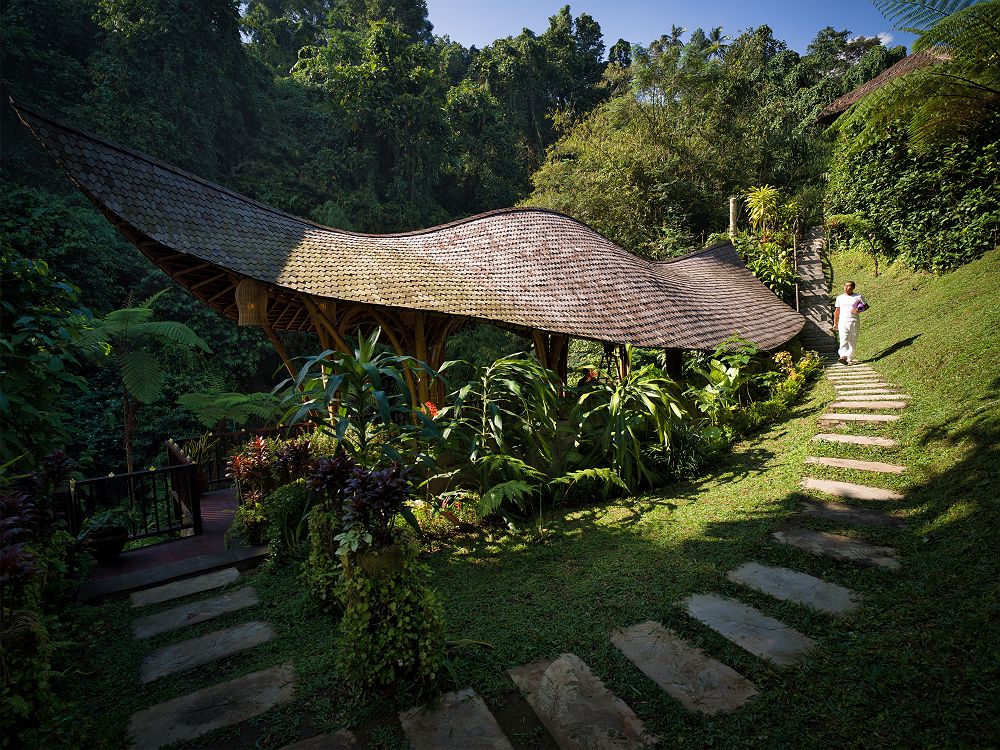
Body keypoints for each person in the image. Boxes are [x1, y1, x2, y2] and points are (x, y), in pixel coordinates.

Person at [833, 280, 867, 365]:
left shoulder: (858, 296)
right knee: (843, 338)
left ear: (853, 288)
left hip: (854, 321)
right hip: (843, 322)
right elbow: (837, 310)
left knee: (853, 339)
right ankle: (843, 356)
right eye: (845, 286)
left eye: (849, 286)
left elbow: (866, 306)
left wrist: (858, 310)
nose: (846, 287)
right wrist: (835, 323)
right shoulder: (839, 298)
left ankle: (849, 358)